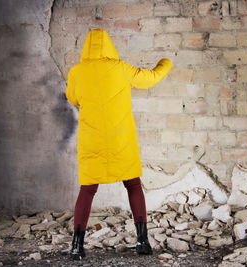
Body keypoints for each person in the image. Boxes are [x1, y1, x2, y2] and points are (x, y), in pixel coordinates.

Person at [65, 28, 173, 260]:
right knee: (133, 184)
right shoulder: (121, 68)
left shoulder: (77, 71)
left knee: (87, 189)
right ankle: (143, 241)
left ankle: (76, 246)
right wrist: (166, 62)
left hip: (91, 140)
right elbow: (150, 78)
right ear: (109, 46)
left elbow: (72, 97)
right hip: (120, 139)